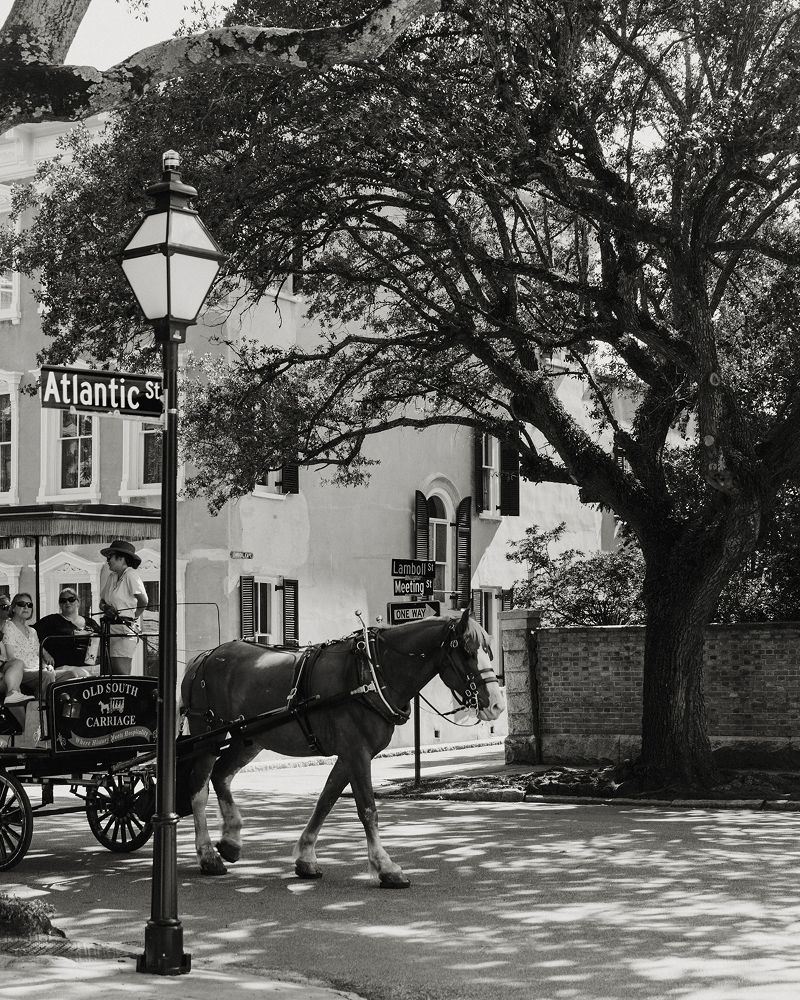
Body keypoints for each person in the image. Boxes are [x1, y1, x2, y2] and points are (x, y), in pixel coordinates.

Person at [4, 592, 91, 699]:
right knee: (46, 675)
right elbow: (10, 657)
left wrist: (45, 665)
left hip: (39, 669)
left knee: (71, 675)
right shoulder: (9, 627)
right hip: (23, 671)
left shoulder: (32, 631)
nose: (26, 607)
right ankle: (41, 706)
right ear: (13, 608)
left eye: (29, 605)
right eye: (21, 604)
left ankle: (63, 706)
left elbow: (37, 652)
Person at [99, 539, 148, 676]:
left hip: (124, 631)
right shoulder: (112, 577)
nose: (107, 561)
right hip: (109, 630)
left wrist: (132, 616)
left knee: (120, 673)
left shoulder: (131, 575)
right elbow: (102, 602)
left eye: (110, 557)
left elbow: (143, 601)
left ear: (120, 558)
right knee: (109, 672)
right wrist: (106, 608)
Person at [34, 589, 101, 672]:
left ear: (78, 602)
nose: (67, 602)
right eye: (63, 601)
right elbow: (30, 635)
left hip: (93, 666)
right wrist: (45, 654)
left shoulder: (91, 622)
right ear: (60, 605)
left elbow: (104, 640)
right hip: (66, 668)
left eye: (71, 599)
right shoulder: (52, 621)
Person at [0, 596, 34, 706]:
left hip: (4, 668)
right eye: (4, 607)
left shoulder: (4, 628)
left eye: (9, 606)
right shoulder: (8, 627)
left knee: (17, 663)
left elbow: (5, 657)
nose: (8, 609)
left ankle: (13, 693)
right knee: (12, 682)